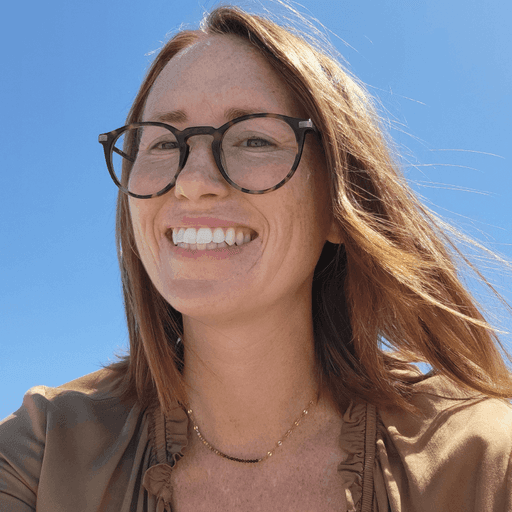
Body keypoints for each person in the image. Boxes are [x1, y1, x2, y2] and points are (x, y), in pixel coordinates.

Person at [1, 4, 512, 511]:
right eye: (160, 143)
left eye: (252, 138)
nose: (193, 182)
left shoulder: (483, 461)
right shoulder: (41, 450)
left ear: (339, 203)